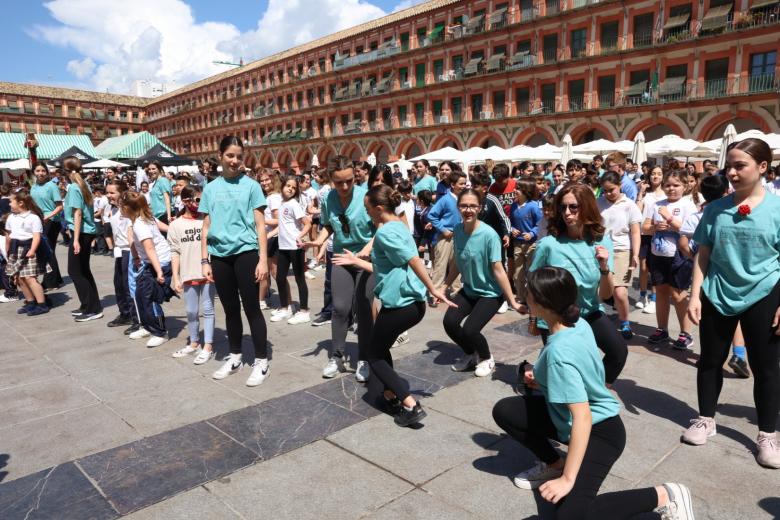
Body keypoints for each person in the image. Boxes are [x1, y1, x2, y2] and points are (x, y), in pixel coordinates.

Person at [492, 267, 696, 519]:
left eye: (529, 292)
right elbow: (578, 372)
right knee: (506, 410)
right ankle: (556, 465)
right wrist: (541, 378)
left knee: (572, 516)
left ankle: (667, 494)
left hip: (601, 432)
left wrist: (569, 480)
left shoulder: (559, 354)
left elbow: (583, 417)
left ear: (541, 303)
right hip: (570, 419)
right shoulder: (578, 324)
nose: (525, 296)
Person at [685, 138, 780, 468]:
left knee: (766, 368)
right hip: (717, 292)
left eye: (740, 165)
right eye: (730, 166)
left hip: (764, 293)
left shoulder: (777, 209)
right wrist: (695, 295)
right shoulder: (715, 209)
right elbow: (703, 255)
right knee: (710, 360)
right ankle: (705, 418)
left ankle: (768, 434)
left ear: (762, 167)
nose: (732, 172)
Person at [332, 185, 453, 426]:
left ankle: (410, 404)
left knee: (374, 354)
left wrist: (432, 287)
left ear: (378, 209)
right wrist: (356, 260)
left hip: (402, 305)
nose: (366, 213)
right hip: (411, 304)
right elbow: (385, 268)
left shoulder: (386, 232)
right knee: (381, 346)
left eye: (368, 209)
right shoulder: (399, 225)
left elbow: (413, 259)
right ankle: (390, 393)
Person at [529, 184, 627, 386]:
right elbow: (533, 283)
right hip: (556, 317)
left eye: (573, 207)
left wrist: (604, 266)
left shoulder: (601, 243)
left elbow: (606, 294)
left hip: (590, 311)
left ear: (586, 207)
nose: (566, 213)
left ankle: (596, 392)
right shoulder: (549, 244)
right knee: (564, 370)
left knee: (618, 351)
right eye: (562, 207)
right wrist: (533, 318)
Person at [200, 136, 270, 387]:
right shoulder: (210, 189)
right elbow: (206, 227)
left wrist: (262, 259)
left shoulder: (252, 186)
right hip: (219, 256)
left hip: (246, 253)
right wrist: (204, 260)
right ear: (220, 156)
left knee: (252, 307)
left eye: (239, 156)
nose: (235, 160)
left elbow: (261, 225)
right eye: (230, 155)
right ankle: (235, 355)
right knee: (230, 309)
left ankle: (262, 360)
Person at [305, 155, 375, 381]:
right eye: (339, 182)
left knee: (364, 308)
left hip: (365, 259)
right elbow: (327, 225)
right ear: (332, 180)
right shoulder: (328, 199)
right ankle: (337, 356)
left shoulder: (367, 197)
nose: (344, 187)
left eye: (349, 181)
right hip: (341, 258)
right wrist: (319, 241)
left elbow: (381, 228)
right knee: (340, 308)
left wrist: (366, 249)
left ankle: (364, 357)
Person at [444, 189, 522, 377]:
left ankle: (486, 358)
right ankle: (471, 353)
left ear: (479, 208)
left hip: (490, 293)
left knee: (471, 329)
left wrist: (511, 300)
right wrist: (443, 286)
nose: (468, 209)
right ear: (458, 207)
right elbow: (457, 262)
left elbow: (498, 269)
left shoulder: (489, 235)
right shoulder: (457, 230)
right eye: (464, 205)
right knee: (450, 322)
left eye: (472, 206)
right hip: (470, 289)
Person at [642, 170, 697, 350]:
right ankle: (662, 329)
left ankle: (686, 333)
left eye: (676, 185)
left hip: (679, 255)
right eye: (668, 185)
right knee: (662, 292)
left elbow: (691, 230)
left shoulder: (688, 205)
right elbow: (645, 227)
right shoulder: (656, 204)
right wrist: (656, 226)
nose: (671, 189)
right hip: (658, 254)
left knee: (678, 295)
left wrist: (670, 219)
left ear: (685, 186)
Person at [168, 185, 215, 364]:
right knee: (191, 311)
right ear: (186, 201)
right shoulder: (176, 225)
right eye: (196, 200)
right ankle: (194, 342)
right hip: (188, 272)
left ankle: (208, 346)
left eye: (201, 200)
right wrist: (176, 276)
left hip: (208, 272)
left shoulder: (208, 219)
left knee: (209, 309)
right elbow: (175, 251)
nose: (199, 204)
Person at [120, 191, 173, 348]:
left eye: (121, 206)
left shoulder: (140, 224)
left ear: (128, 208)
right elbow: (163, 227)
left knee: (149, 297)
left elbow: (150, 248)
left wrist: (159, 271)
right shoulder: (144, 219)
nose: (120, 209)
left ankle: (159, 332)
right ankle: (147, 326)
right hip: (152, 263)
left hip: (159, 262)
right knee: (140, 294)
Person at [598, 172, 643, 339]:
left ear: (620, 186)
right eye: (605, 190)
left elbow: (636, 232)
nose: (608, 193)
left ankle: (625, 322)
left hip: (622, 250)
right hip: (602, 250)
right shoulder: (599, 203)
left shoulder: (629, 205)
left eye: (612, 189)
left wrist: (636, 254)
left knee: (620, 292)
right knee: (600, 291)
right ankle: (597, 322)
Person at [63, 157, 102, 322]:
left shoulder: (73, 187)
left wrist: (76, 239)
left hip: (81, 233)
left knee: (75, 271)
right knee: (83, 270)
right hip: (86, 231)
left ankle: (92, 308)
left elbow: (77, 213)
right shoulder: (83, 184)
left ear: (66, 172)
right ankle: (89, 305)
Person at [272, 175, 312, 324]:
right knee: (280, 278)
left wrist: (300, 236)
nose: (290, 189)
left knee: (299, 278)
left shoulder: (294, 204)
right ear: (282, 186)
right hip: (283, 246)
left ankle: (304, 311)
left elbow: (307, 223)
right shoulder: (282, 203)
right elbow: (281, 225)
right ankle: (285, 308)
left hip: (295, 247)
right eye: (288, 185)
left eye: (294, 187)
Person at [5, 190, 49, 316]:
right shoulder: (11, 217)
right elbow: (9, 235)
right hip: (15, 250)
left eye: (11, 201)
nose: (9, 204)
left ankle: (42, 304)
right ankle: (31, 302)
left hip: (29, 249)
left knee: (30, 278)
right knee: (19, 279)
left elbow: (36, 236)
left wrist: (32, 250)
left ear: (21, 203)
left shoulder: (33, 217)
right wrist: (7, 251)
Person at [427, 168, 467, 304]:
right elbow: (431, 215)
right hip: (445, 237)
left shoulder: (464, 199)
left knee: (457, 266)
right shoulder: (445, 199)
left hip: (459, 236)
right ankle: (435, 294)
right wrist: (443, 229)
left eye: (465, 183)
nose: (464, 186)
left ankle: (456, 292)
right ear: (453, 185)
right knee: (440, 266)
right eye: (461, 183)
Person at [104, 180, 137, 330]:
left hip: (129, 250)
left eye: (112, 192)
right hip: (119, 250)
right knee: (118, 284)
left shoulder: (128, 209)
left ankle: (135, 317)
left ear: (122, 193)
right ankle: (124, 314)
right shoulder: (113, 209)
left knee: (128, 285)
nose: (109, 195)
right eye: (107, 192)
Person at [30, 162, 64, 289]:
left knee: (47, 251)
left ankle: (51, 282)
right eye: (38, 171)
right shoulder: (33, 187)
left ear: (47, 172)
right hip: (38, 220)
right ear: (34, 172)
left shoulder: (52, 186)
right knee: (49, 251)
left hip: (51, 221)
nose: (40, 173)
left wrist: (47, 216)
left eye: (43, 170)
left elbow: (60, 206)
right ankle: (57, 279)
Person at [636, 165, 664, 314]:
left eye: (659, 174)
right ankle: (642, 296)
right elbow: (637, 209)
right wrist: (640, 193)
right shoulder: (646, 193)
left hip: (659, 234)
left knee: (654, 269)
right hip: (644, 233)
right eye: (653, 173)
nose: (656, 176)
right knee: (643, 267)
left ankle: (654, 299)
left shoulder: (666, 194)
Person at [510, 178, 542, 306]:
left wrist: (532, 233)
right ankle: (520, 296)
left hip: (531, 244)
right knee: (518, 273)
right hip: (517, 244)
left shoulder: (533, 206)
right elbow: (510, 222)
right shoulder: (513, 205)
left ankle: (533, 297)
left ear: (526, 191)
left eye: (517, 188)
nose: (514, 190)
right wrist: (512, 229)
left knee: (531, 272)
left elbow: (540, 224)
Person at [258, 169, 282, 310]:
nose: (264, 183)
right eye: (262, 180)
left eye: (267, 180)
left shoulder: (273, 198)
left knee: (272, 272)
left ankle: (285, 302)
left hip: (272, 238)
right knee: (267, 272)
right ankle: (262, 300)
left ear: (274, 180)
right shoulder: (270, 196)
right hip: (270, 238)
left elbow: (278, 221)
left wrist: (261, 220)